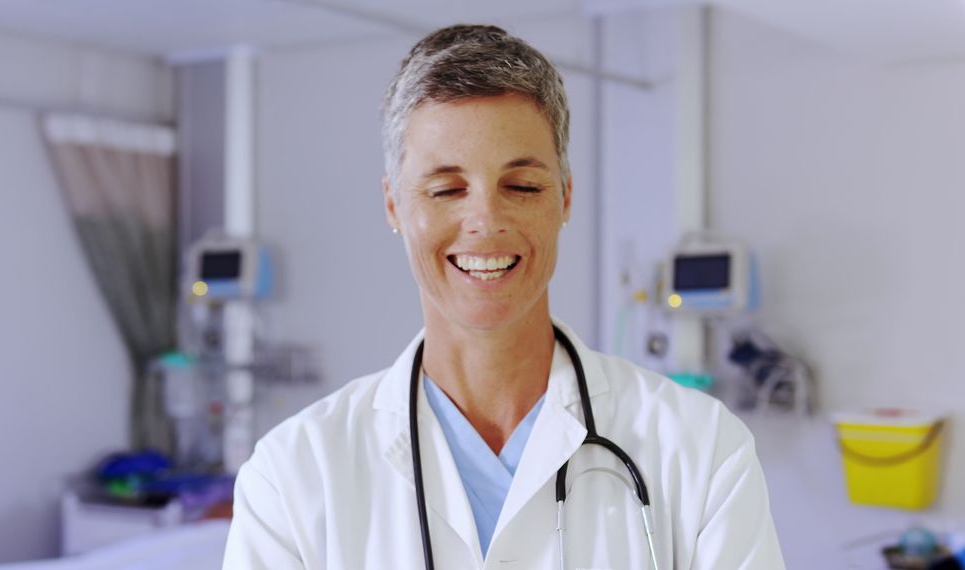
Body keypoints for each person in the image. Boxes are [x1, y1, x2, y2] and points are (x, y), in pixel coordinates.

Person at [222, 24, 785, 569]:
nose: (485, 221)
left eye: (522, 186)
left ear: (564, 198)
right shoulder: (293, 475)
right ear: (394, 204)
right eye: (446, 189)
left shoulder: (702, 450)